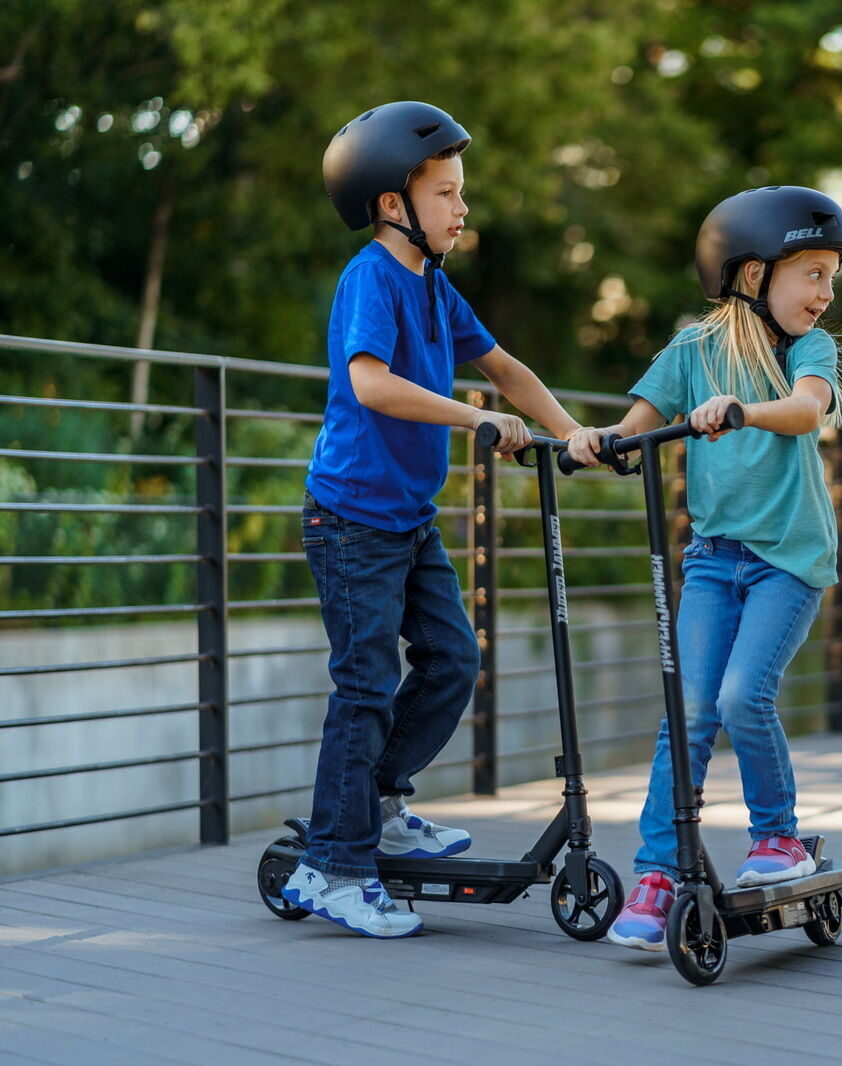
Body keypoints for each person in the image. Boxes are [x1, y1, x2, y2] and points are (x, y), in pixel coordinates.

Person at [282, 101, 593, 938]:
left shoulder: (436, 285)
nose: (462, 209)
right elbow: (370, 383)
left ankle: (374, 802)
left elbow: (505, 367)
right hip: (349, 520)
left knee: (454, 658)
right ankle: (334, 866)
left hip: (406, 520)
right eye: (448, 193)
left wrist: (574, 435)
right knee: (365, 686)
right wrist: (474, 420)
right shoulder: (372, 278)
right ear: (393, 204)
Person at [565, 186, 842, 952]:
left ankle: (778, 839)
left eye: (832, 276)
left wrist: (742, 411)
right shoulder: (692, 350)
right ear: (754, 274)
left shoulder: (808, 352)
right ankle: (661, 871)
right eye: (814, 274)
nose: (826, 293)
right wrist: (600, 442)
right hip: (713, 561)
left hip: (787, 563)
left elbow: (805, 409)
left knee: (740, 694)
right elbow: (637, 423)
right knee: (689, 712)